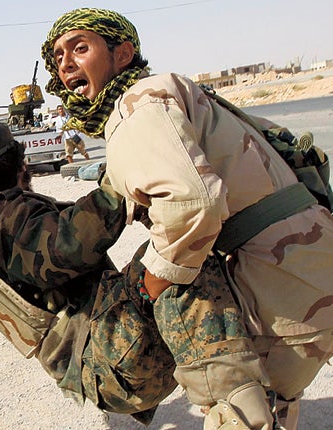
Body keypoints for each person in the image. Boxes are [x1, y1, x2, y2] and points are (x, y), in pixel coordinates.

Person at [41, 8, 333, 430]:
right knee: (274, 403)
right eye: (58, 56)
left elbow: (192, 207)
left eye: (80, 47)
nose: (66, 63)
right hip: (312, 262)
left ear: (123, 54)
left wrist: (151, 284)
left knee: (238, 408)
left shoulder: (135, 103)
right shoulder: (179, 91)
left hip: (279, 282)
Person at [0, 122, 182, 425]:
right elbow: (66, 245)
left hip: (100, 368)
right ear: (20, 165)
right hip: (115, 362)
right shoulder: (5, 217)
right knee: (182, 253)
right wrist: (119, 185)